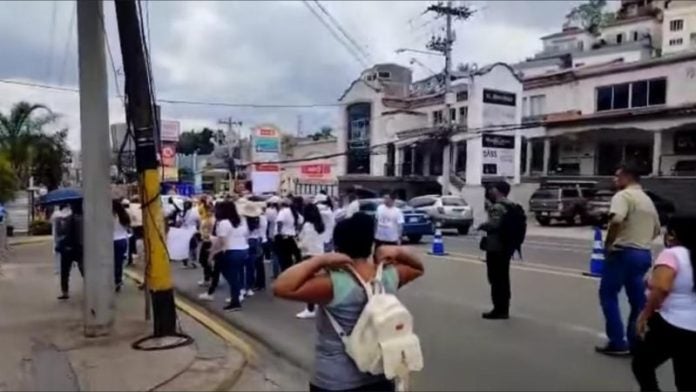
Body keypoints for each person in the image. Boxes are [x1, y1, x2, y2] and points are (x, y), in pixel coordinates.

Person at [273, 213, 425, 391]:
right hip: (379, 372)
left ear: (338, 246)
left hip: (336, 379)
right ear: (371, 244)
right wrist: (397, 251)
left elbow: (281, 287)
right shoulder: (388, 276)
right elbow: (418, 267)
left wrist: (320, 260)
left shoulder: (333, 283)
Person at [596, 164, 661, 356]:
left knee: (608, 295)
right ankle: (635, 340)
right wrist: (641, 239)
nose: (614, 180)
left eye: (617, 177)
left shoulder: (623, 196)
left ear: (627, 177)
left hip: (622, 252)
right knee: (637, 300)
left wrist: (609, 244)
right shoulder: (647, 199)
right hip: (642, 253)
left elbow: (616, 220)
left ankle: (617, 342)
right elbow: (657, 229)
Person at [632, 214, 696, 391]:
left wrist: (645, 314)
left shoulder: (672, 254)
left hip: (671, 324)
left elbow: (661, 287)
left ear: (673, 234)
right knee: (686, 379)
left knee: (642, 364)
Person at [478, 181, 516, 320]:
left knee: (495, 278)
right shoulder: (511, 205)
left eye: (492, 189)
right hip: (506, 246)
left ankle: (499, 309)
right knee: (503, 278)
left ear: (498, 190)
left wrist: (482, 225)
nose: (490, 191)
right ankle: (504, 308)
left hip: (496, 247)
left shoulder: (498, 207)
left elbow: (494, 224)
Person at [203, 200, 249, 311]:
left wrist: (211, 254)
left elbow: (221, 243)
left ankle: (235, 302)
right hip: (243, 250)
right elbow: (245, 235)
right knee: (236, 275)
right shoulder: (242, 221)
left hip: (231, 252)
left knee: (231, 277)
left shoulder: (223, 223)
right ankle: (237, 295)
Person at [296, 203, 327, 320]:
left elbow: (304, 243)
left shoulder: (307, 226)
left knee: (308, 284)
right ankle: (318, 307)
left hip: (309, 255)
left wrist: (298, 244)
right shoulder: (321, 225)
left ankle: (309, 309)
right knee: (318, 283)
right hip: (320, 255)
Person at [56, 202, 83, 300]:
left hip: (68, 248)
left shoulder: (68, 219)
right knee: (84, 269)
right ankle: (90, 288)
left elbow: (62, 233)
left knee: (65, 271)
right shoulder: (85, 220)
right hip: (80, 248)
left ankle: (65, 292)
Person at [239, 200, 265, 299]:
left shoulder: (243, 220)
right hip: (255, 242)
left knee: (241, 267)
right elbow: (261, 233)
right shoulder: (259, 219)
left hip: (245, 243)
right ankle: (249, 288)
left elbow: (243, 233)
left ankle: (241, 288)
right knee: (251, 267)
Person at [276, 197, 302, 272]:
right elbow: (300, 221)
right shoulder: (294, 212)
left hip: (284, 237)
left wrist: (279, 231)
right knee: (294, 256)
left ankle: (286, 274)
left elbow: (279, 222)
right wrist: (297, 230)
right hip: (293, 236)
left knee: (285, 259)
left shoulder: (283, 211)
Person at [113, 199, 131, 293]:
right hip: (122, 240)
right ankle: (118, 280)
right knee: (119, 262)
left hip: (112, 241)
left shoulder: (110, 216)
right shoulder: (124, 215)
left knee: (111, 263)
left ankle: (114, 280)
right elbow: (128, 228)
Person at [197, 199, 216, 287]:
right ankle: (210, 277)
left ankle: (209, 277)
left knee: (205, 260)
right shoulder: (206, 219)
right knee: (204, 261)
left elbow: (209, 230)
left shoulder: (211, 220)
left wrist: (205, 234)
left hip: (209, 242)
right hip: (206, 241)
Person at [50, 204, 71, 274]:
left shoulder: (55, 214)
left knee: (57, 254)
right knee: (66, 253)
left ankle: (57, 269)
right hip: (67, 236)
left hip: (57, 237)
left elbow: (51, 221)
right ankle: (67, 268)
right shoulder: (70, 212)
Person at [265, 196, 281, 279]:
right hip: (284, 235)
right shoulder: (284, 211)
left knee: (275, 255)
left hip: (273, 234)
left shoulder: (270, 212)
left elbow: (267, 220)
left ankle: (276, 273)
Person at [124, 197, 143, 266]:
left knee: (132, 242)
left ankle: (131, 258)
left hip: (131, 227)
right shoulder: (140, 206)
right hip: (140, 225)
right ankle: (135, 255)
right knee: (137, 240)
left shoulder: (128, 209)